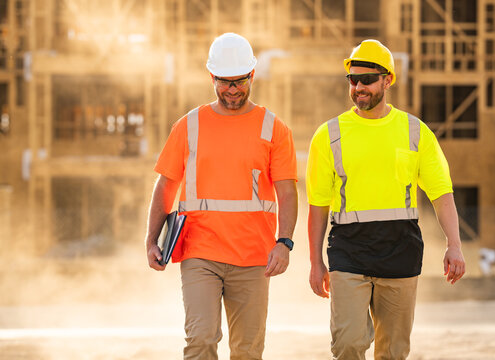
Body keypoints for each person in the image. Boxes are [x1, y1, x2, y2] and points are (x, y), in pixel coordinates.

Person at [306, 39, 466, 360]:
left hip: (400, 250)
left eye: (367, 80)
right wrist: (314, 262)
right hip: (348, 251)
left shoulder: (415, 131)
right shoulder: (329, 134)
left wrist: (454, 244)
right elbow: (318, 206)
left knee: (393, 351)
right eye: (353, 80)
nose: (359, 87)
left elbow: (441, 193)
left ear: (387, 79)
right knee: (347, 343)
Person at [145, 32, 298, 360]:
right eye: (224, 82)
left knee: (247, 351)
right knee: (200, 340)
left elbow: (287, 191)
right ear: (212, 77)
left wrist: (284, 242)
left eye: (239, 82)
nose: (232, 90)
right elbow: (165, 186)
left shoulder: (274, 129)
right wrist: (151, 240)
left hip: (254, 258)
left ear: (252, 75)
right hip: (200, 253)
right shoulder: (189, 126)